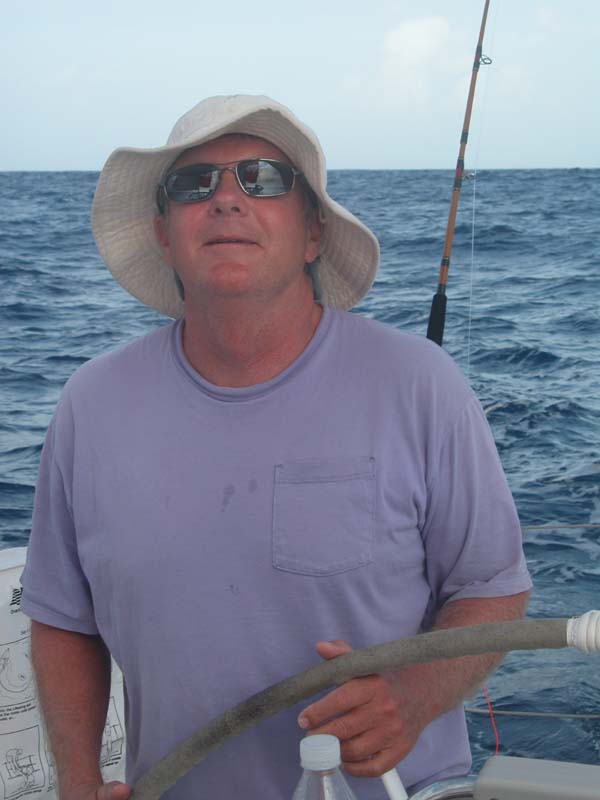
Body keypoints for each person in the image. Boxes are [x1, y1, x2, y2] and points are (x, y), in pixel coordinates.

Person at [20, 95, 531, 800]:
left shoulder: (420, 383)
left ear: (313, 232)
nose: (227, 199)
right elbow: (63, 619)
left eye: (263, 178)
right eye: (193, 184)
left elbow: (492, 587)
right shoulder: (90, 404)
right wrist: (78, 784)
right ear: (164, 235)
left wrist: (412, 696)